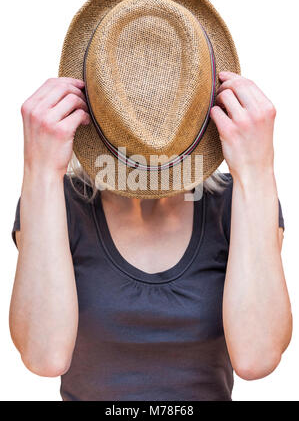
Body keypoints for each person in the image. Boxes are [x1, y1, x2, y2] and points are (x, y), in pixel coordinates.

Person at [10, 71, 292, 401]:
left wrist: (257, 171)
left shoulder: (237, 201)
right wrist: (39, 170)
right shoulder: (59, 201)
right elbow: (44, 358)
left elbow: (257, 359)